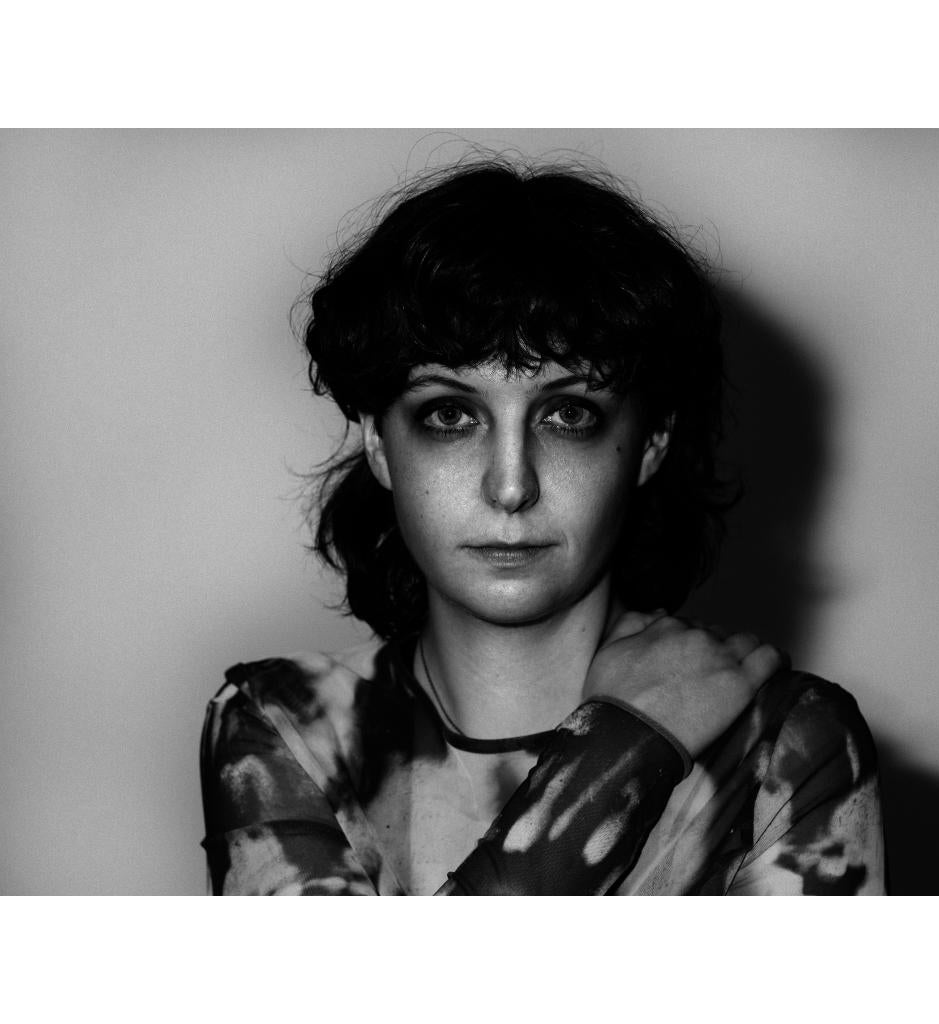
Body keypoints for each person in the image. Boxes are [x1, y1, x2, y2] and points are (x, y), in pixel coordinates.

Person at [200, 157, 886, 895]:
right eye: (449, 415)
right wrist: (621, 749)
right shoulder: (285, 726)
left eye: (567, 415)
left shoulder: (788, 746)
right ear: (377, 442)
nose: (510, 486)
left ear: (651, 442)